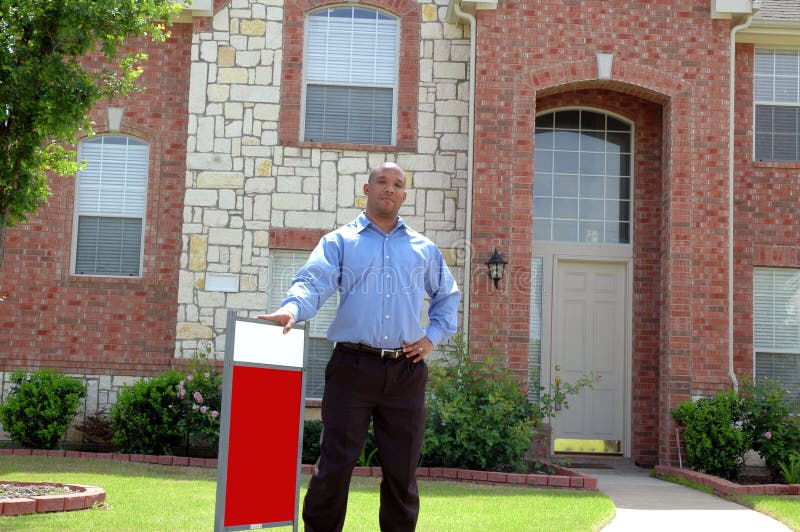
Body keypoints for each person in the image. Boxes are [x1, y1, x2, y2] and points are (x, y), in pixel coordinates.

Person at [258, 161, 460, 531]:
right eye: (381, 181)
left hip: (406, 371)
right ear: (367, 190)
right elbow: (312, 282)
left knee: (402, 472)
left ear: (404, 195)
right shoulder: (339, 242)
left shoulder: (424, 249)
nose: (390, 188)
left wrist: (432, 338)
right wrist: (291, 309)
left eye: (398, 184)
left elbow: (447, 296)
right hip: (352, 367)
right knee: (335, 464)